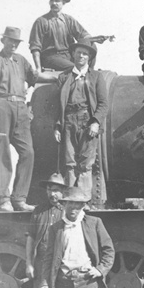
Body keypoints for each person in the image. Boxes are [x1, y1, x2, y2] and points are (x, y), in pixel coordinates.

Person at [0, 26, 54, 211]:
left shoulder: (21, 60)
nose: (13, 44)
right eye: (10, 40)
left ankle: (19, 199)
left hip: (21, 108)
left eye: (16, 42)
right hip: (1, 106)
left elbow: (35, 77)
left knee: (28, 152)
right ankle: (4, 200)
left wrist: (58, 78)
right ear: (3, 41)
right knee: (2, 153)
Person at [53, 39, 108, 198]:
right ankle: (70, 200)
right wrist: (57, 126)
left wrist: (96, 122)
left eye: (85, 53)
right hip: (69, 121)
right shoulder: (64, 77)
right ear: (73, 55)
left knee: (85, 164)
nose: (81, 56)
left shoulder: (96, 77)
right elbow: (59, 105)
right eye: (78, 53)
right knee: (70, 163)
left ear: (89, 57)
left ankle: (83, 202)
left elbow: (103, 104)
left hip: (87, 122)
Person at [25, 172, 67, 288]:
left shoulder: (67, 211)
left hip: (61, 263)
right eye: (50, 190)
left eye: (56, 190)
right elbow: (30, 238)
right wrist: (29, 263)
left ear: (63, 192)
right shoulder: (38, 211)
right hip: (41, 262)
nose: (52, 194)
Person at [29, 0, 94, 71]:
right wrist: (38, 67)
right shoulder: (41, 21)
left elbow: (83, 35)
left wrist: (94, 39)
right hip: (50, 57)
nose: (54, 3)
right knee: (73, 68)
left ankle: (90, 74)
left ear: (63, 3)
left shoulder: (69, 20)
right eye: (52, 0)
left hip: (69, 56)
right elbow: (35, 47)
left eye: (57, 1)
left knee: (92, 46)